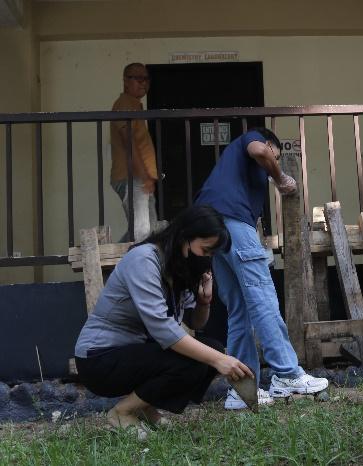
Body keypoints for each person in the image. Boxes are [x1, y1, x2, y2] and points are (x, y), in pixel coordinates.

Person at [74, 205, 254, 433]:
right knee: (201, 358)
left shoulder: (178, 267)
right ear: (185, 237)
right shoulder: (143, 260)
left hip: (136, 352)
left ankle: (144, 409)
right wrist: (220, 360)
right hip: (99, 358)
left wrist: (203, 301)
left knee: (211, 348)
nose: (207, 258)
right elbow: (164, 331)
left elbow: (195, 323)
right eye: (206, 250)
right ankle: (122, 412)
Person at [196, 128, 329, 410]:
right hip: (233, 221)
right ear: (270, 144)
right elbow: (259, 151)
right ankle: (287, 374)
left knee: (239, 309)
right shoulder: (253, 139)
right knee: (263, 298)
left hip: (208, 226)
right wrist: (281, 179)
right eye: (275, 156)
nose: (271, 166)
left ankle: (242, 391)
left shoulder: (231, 174)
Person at [110, 62, 159, 242]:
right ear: (125, 81)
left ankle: (119, 265)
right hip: (132, 176)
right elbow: (129, 141)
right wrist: (143, 175)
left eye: (146, 78)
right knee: (143, 231)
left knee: (150, 231)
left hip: (139, 177)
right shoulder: (124, 103)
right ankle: (130, 267)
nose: (143, 82)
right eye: (137, 78)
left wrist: (148, 177)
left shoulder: (134, 105)